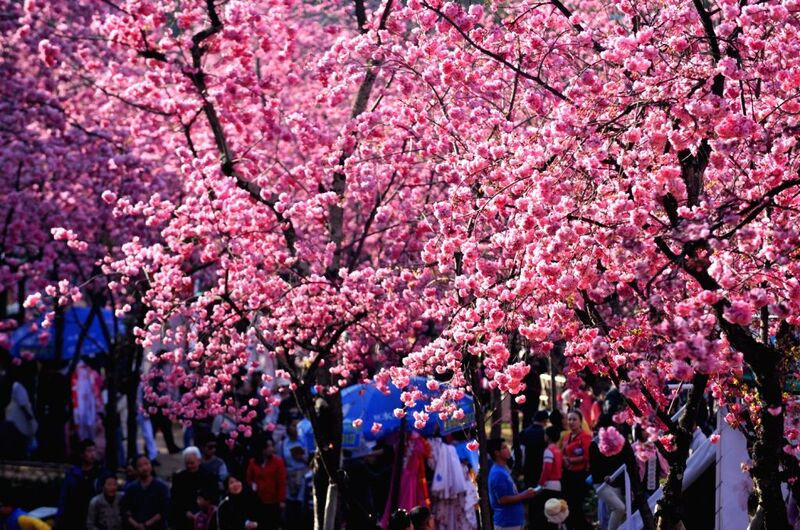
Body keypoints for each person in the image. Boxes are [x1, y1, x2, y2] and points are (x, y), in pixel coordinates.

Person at [487, 438, 538, 530]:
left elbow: (511, 494)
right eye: (504, 448)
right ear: (497, 453)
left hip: (513, 521)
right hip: (506, 523)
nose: (508, 449)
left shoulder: (503, 469)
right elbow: (502, 499)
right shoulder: (497, 473)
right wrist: (524, 495)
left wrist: (526, 493)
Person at [57, 439, 106, 530]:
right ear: (82, 454)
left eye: (94, 450)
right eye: (89, 451)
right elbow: (64, 497)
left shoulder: (100, 473)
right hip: (74, 516)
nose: (92, 454)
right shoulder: (73, 473)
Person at [590, 433, 636, 530]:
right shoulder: (595, 443)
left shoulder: (621, 439)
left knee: (620, 513)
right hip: (603, 484)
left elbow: (629, 460)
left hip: (620, 482)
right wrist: (604, 476)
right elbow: (595, 469)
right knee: (617, 509)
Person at [171, 447, 218, 530]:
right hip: (184, 517)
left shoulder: (209, 477)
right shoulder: (179, 478)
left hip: (205, 516)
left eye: (192, 463)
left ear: (199, 461)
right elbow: (175, 499)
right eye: (187, 463)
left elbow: (214, 497)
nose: (189, 466)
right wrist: (185, 512)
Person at [560, 410, 592, 530]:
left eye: (574, 419)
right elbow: (562, 452)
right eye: (569, 419)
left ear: (580, 421)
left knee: (577, 506)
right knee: (568, 505)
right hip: (567, 475)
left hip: (580, 476)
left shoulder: (585, 437)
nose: (571, 422)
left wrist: (570, 460)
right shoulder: (566, 437)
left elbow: (587, 456)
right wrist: (564, 459)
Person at [245, 439, 286, 530]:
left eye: (272, 446)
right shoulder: (253, 462)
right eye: (268, 446)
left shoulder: (278, 462)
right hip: (257, 500)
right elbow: (248, 479)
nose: (271, 449)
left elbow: (281, 482)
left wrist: (281, 500)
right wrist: (253, 485)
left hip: (273, 501)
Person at [121, 454, 169, 530]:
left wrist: (146, 524)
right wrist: (137, 525)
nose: (145, 468)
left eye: (147, 464)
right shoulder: (131, 488)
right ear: (135, 469)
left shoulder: (162, 486)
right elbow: (125, 510)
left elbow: (164, 510)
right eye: (140, 466)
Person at [530, 426, 563, 529]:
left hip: (548, 486)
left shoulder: (548, 450)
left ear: (547, 437)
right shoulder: (558, 450)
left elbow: (547, 469)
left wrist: (540, 484)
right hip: (558, 485)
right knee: (554, 515)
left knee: (546, 516)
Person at [519, 410, 549, 488]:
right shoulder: (545, 434)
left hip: (527, 467)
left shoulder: (524, 432)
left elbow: (522, 450)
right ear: (545, 420)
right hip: (540, 467)